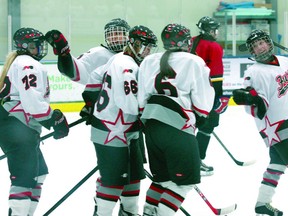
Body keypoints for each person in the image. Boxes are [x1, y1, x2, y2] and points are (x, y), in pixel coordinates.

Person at [138, 23, 215, 216]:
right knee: (185, 183)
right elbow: (203, 100)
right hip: (178, 127)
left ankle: (149, 213)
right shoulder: (193, 61)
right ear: (183, 42)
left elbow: (141, 99)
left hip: (152, 126)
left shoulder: (148, 61)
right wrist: (202, 115)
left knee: (162, 180)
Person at [80, 25, 157, 216]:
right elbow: (129, 103)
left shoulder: (119, 58)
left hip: (124, 128)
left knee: (133, 176)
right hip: (112, 130)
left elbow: (94, 79)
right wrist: (149, 116)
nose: (147, 52)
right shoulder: (126, 65)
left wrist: (90, 102)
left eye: (150, 48)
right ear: (133, 43)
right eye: (144, 47)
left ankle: (130, 211)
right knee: (114, 180)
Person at [0, 27, 69, 216]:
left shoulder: (20, 62)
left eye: (39, 45)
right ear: (23, 47)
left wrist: (50, 120)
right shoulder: (27, 64)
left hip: (16, 125)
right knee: (23, 179)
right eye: (34, 45)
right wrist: (52, 119)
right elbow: (32, 100)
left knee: (39, 173)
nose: (39, 49)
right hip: (16, 126)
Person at [232, 29, 288, 216]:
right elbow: (257, 107)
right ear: (252, 52)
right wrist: (250, 98)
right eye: (255, 46)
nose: (260, 47)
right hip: (277, 127)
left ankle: (262, 203)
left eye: (262, 42)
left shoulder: (284, 61)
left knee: (277, 164)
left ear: (269, 42)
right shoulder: (254, 72)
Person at [190, 16, 230, 176]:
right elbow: (216, 78)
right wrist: (218, 99)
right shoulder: (214, 47)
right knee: (208, 125)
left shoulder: (191, 41)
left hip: (185, 92)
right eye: (215, 29)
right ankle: (197, 161)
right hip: (205, 94)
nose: (216, 32)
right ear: (209, 30)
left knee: (188, 127)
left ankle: (187, 160)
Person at [45, 18, 131, 85]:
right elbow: (75, 70)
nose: (113, 38)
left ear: (127, 35)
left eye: (117, 34)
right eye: (109, 35)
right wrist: (64, 54)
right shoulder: (98, 54)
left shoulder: (137, 55)